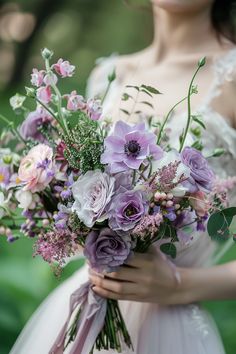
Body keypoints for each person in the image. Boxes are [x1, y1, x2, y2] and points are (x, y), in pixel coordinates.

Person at [10, 0, 236, 353]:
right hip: (84, 308)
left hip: (170, 331)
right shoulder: (109, 75)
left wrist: (180, 285)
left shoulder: (232, 76)